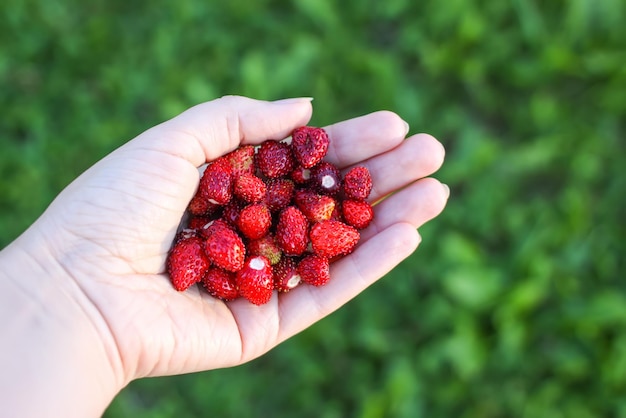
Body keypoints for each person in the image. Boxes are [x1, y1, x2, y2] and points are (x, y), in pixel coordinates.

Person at [0, 96, 449, 417]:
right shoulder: (240, 217)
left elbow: (284, 221)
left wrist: (70, 294)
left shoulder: (290, 214)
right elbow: (255, 219)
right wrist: (80, 296)